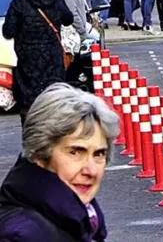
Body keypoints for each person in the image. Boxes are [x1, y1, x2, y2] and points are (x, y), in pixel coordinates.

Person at [0, 83, 116, 241]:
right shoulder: (24, 235)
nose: (91, 170)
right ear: (39, 154)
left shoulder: (76, 220)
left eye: (99, 154)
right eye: (75, 152)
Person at [1, 0, 75, 125]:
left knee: (29, 104)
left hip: (28, 61)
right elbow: (69, 19)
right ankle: (54, 140)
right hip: (53, 58)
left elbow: (8, 31)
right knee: (55, 101)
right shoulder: (55, 0)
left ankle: (31, 141)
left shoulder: (19, 3)